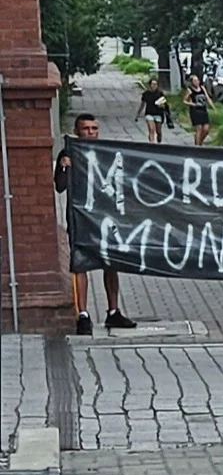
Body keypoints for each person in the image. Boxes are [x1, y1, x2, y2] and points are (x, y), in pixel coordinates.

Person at [52, 113, 137, 335]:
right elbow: (59, 186)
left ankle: (113, 312)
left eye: (94, 128)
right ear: (77, 130)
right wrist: (63, 167)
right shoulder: (70, 152)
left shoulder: (106, 152)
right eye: (86, 129)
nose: (90, 132)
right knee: (81, 263)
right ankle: (83, 314)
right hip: (80, 219)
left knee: (110, 263)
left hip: (107, 218)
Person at [139, 77, 170, 144]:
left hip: (158, 114)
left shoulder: (160, 93)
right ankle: (152, 143)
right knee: (151, 129)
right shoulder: (146, 94)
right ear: (150, 85)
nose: (154, 86)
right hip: (149, 113)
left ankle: (159, 142)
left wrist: (161, 105)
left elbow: (165, 105)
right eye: (153, 84)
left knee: (158, 131)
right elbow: (142, 104)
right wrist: (138, 113)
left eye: (155, 84)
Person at [184, 75, 213, 146]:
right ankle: (197, 146)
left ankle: (200, 141)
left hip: (203, 110)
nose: (197, 82)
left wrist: (213, 106)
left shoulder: (202, 88)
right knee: (199, 128)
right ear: (191, 82)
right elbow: (184, 101)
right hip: (195, 111)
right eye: (195, 81)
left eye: (197, 80)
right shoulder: (190, 90)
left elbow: (207, 97)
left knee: (206, 129)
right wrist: (193, 104)